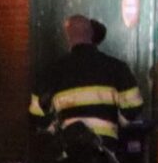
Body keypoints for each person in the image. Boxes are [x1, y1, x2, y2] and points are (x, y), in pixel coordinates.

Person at [30, 13, 145, 148]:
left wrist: (54, 129)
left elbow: (37, 114)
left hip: (69, 149)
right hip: (106, 147)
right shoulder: (117, 67)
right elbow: (134, 107)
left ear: (68, 37)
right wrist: (118, 122)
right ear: (91, 34)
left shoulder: (52, 72)